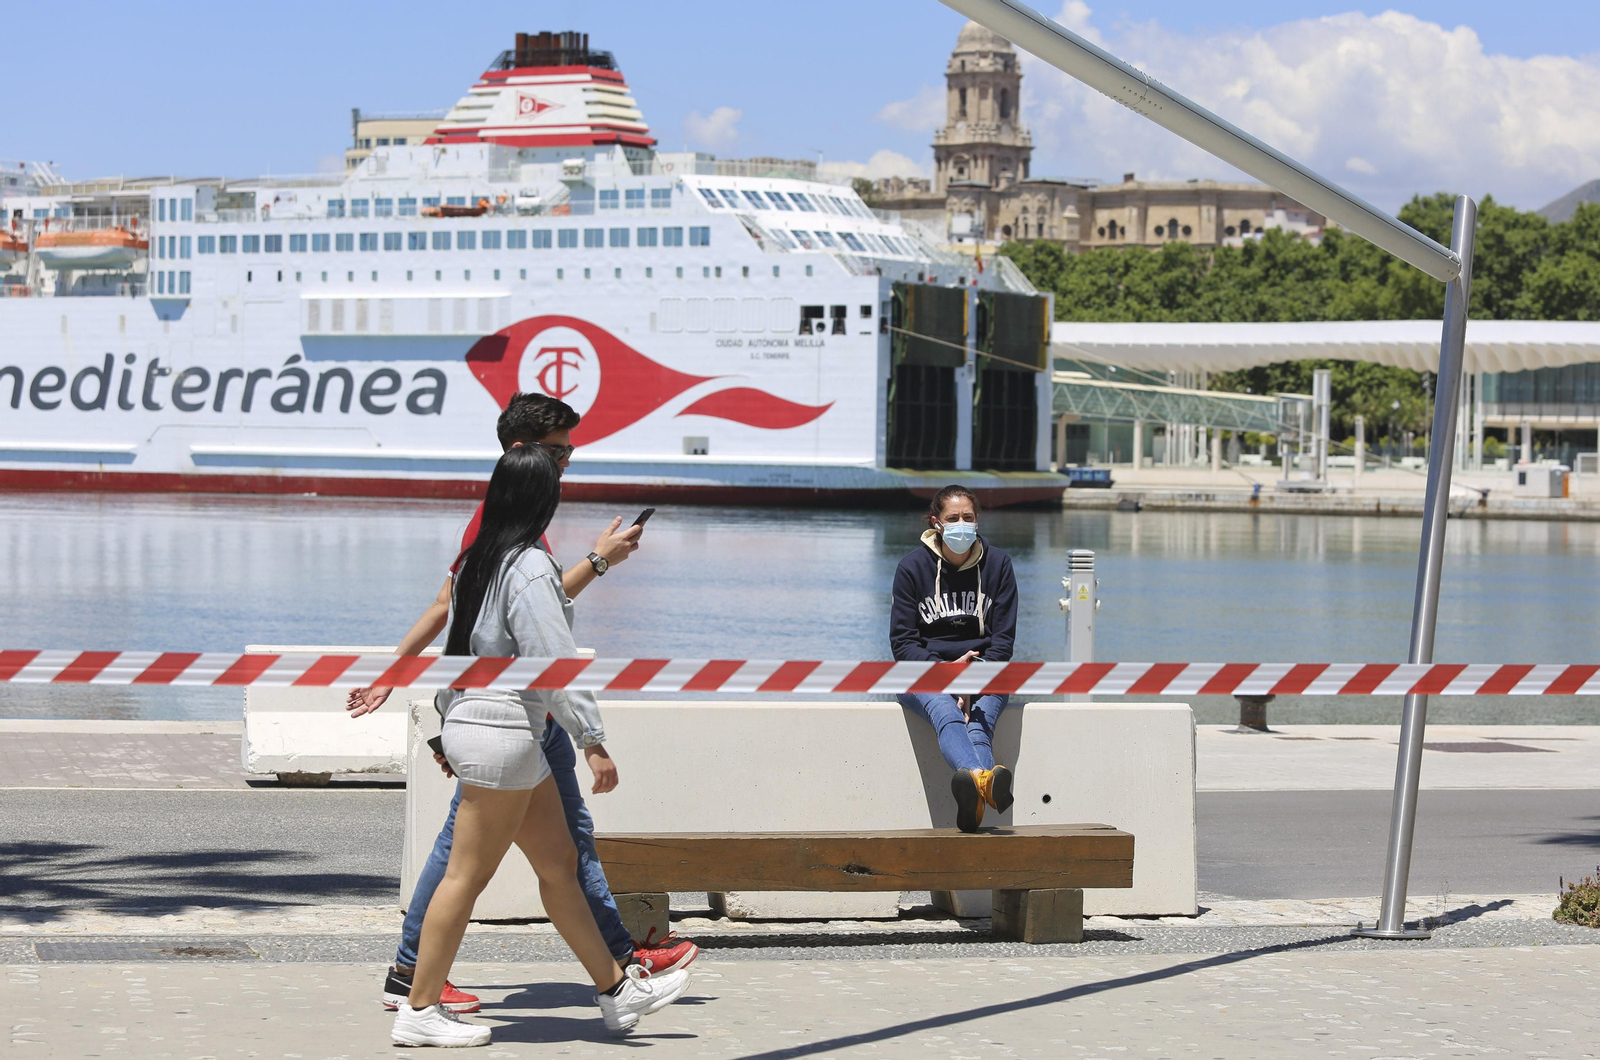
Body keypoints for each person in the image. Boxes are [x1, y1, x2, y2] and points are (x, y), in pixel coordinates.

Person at [347, 393, 696, 1018]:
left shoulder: (486, 549)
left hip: (495, 724)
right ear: (526, 461)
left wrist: (430, 704)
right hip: (509, 727)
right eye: (559, 456)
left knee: (560, 861)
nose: (567, 467)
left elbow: (464, 626)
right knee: (465, 871)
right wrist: (594, 738)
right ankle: (417, 1000)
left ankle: (617, 987)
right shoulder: (525, 558)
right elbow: (547, 648)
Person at [890, 485, 1019, 833]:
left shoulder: (999, 565)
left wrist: (970, 680)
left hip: (985, 673)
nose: (961, 524)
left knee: (977, 721)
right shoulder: (911, 568)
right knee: (947, 711)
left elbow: (1003, 643)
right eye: (952, 518)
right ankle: (985, 779)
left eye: (968, 517)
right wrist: (946, 674)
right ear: (936, 522)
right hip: (923, 673)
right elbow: (902, 644)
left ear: (977, 522)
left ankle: (973, 799)